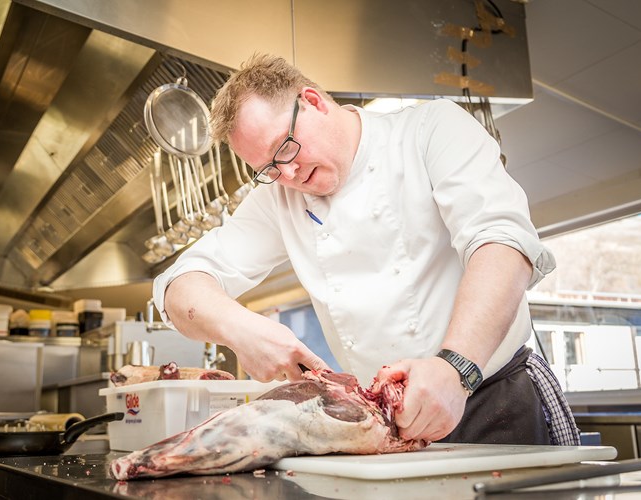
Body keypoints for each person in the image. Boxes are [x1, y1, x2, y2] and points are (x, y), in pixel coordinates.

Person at [152, 54, 579, 446]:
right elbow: (177, 286)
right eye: (267, 168)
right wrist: (241, 329)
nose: (288, 172)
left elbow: (502, 243)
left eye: (284, 147)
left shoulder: (430, 131)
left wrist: (456, 368)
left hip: (492, 399)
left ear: (314, 101)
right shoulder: (278, 198)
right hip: (385, 425)